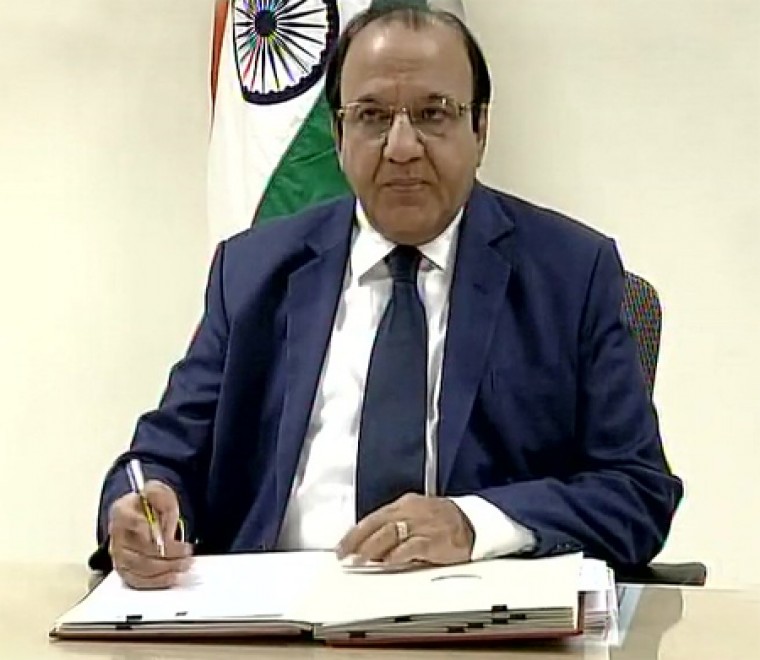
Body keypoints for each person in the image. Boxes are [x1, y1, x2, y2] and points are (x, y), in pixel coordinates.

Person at [93, 3, 683, 589]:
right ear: (338, 133)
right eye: (372, 116)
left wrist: (474, 524)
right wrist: (142, 509)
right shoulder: (253, 272)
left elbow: (636, 491)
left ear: (480, 129)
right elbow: (160, 458)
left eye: (434, 113)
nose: (402, 147)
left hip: (475, 610)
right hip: (273, 611)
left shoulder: (569, 273)